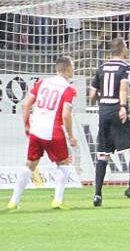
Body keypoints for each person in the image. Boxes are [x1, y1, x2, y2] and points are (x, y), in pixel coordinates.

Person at [8, 56, 78, 210]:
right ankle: (57, 200)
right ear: (68, 69)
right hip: (53, 131)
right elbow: (66, 115)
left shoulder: (42, 83)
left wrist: (27, 125)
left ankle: (13, 201)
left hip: (36, 130)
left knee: (30, 164)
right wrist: (71, 136)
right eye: (73, 67)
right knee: (64, 163)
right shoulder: (69, 89)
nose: (73, 70)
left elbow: (26, 104)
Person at [89, 38, 130, 208]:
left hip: (103, 111)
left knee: (104, 154)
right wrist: (122, 107)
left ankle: (97, 194)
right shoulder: (126, 67)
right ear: (123, 49)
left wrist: (103, 101)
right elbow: (123, 87)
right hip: (116, 109)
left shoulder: (102, 67)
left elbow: (92, 93)